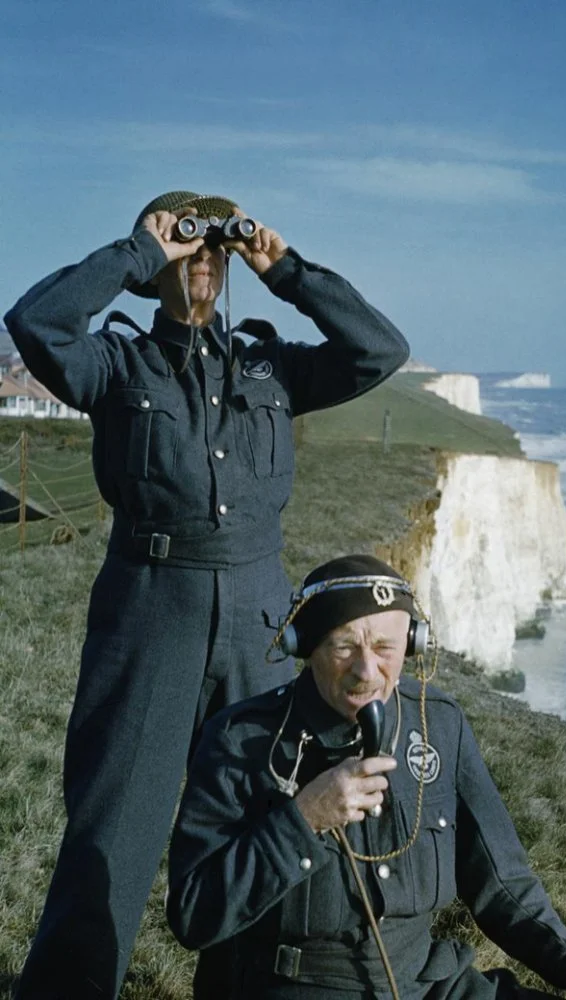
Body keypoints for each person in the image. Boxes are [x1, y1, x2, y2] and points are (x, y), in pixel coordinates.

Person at [4, 193, 410, 1000]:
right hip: (149, 616)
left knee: (265, 821)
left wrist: (284, 271)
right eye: (185, 247)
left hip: (259, 624)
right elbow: (36, 325)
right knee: (113, 830)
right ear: (154, 271)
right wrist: (133, 253)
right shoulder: (116, 366)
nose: (203, 261)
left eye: (211, 249)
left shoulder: (269, 366)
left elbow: (379, 349)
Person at [167, 554, 566, 1000]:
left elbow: (503, 882)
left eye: (385, 647)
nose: (366, 670)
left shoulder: (440, 724)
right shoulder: (238, 739)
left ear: (412, 645)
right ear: (304, 646)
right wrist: (304, 819)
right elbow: (192, 915)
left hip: (430, 983)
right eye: (344, 646)